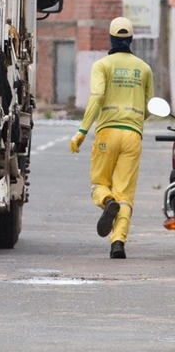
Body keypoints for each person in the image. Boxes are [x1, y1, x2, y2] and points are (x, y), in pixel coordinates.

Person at [70, 16, 155, 259]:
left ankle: (107, 201)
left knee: (99, 184)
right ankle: (118, 241)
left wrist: (82, 132)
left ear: (111, 38)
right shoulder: (144, 68)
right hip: (132, 136)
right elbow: (150, 106)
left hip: (107, 132)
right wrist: (136, 122)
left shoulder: (103, 66)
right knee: (125, 194)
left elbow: (96, 97)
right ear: (131, 39)